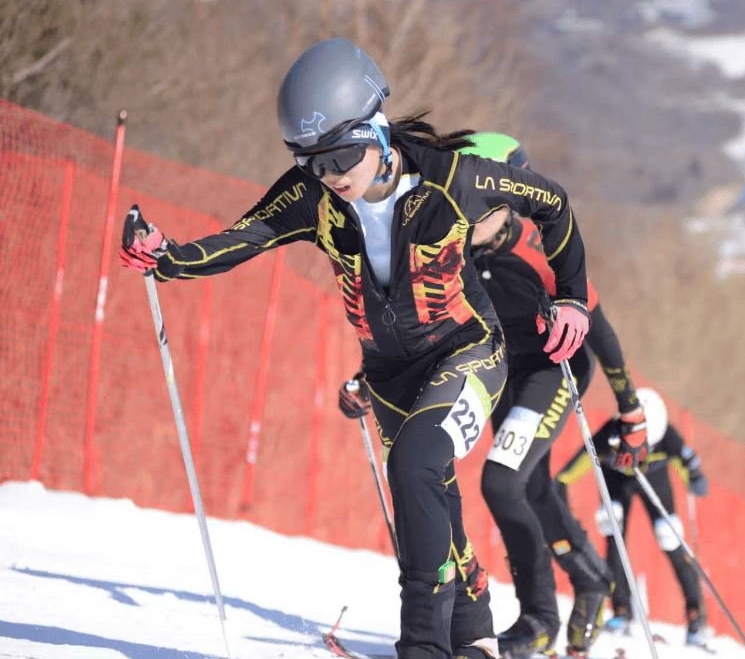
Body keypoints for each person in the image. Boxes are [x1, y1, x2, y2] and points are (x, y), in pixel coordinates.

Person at [119, 37, 593, 659]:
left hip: (468, 353)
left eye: (342, 155)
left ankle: (421, 646)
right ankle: (473, 632)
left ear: (377, 131)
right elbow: (248, 235)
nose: (332, 175)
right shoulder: (315, 197)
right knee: (431, 502)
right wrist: (170, 258)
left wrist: (573, 299)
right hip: (389, 373)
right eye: (311, 162)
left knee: (416, 465)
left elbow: (553, 203)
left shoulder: (455, 179)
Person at [459, 133, 647, 659]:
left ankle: (538, 619)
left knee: (500, 481)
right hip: (503, 370)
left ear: (510, 201)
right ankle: (591, 579)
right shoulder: (451, 249)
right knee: (533, 488)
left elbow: (600, 330)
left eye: (484, 203)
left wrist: (631, 409)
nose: (469, 215)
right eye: (462, 199)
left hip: (554, 368)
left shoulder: (537, 250)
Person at [555, 388, 711, 647]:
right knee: (612, 530)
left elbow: (689, 469)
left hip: (655, 482)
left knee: (670, 536)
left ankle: (696, 617)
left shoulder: (668, 437)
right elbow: (579, 462)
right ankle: (622, 610)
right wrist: (560, 484)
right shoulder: (613, 431)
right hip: (617, 480)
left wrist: (694, 478)